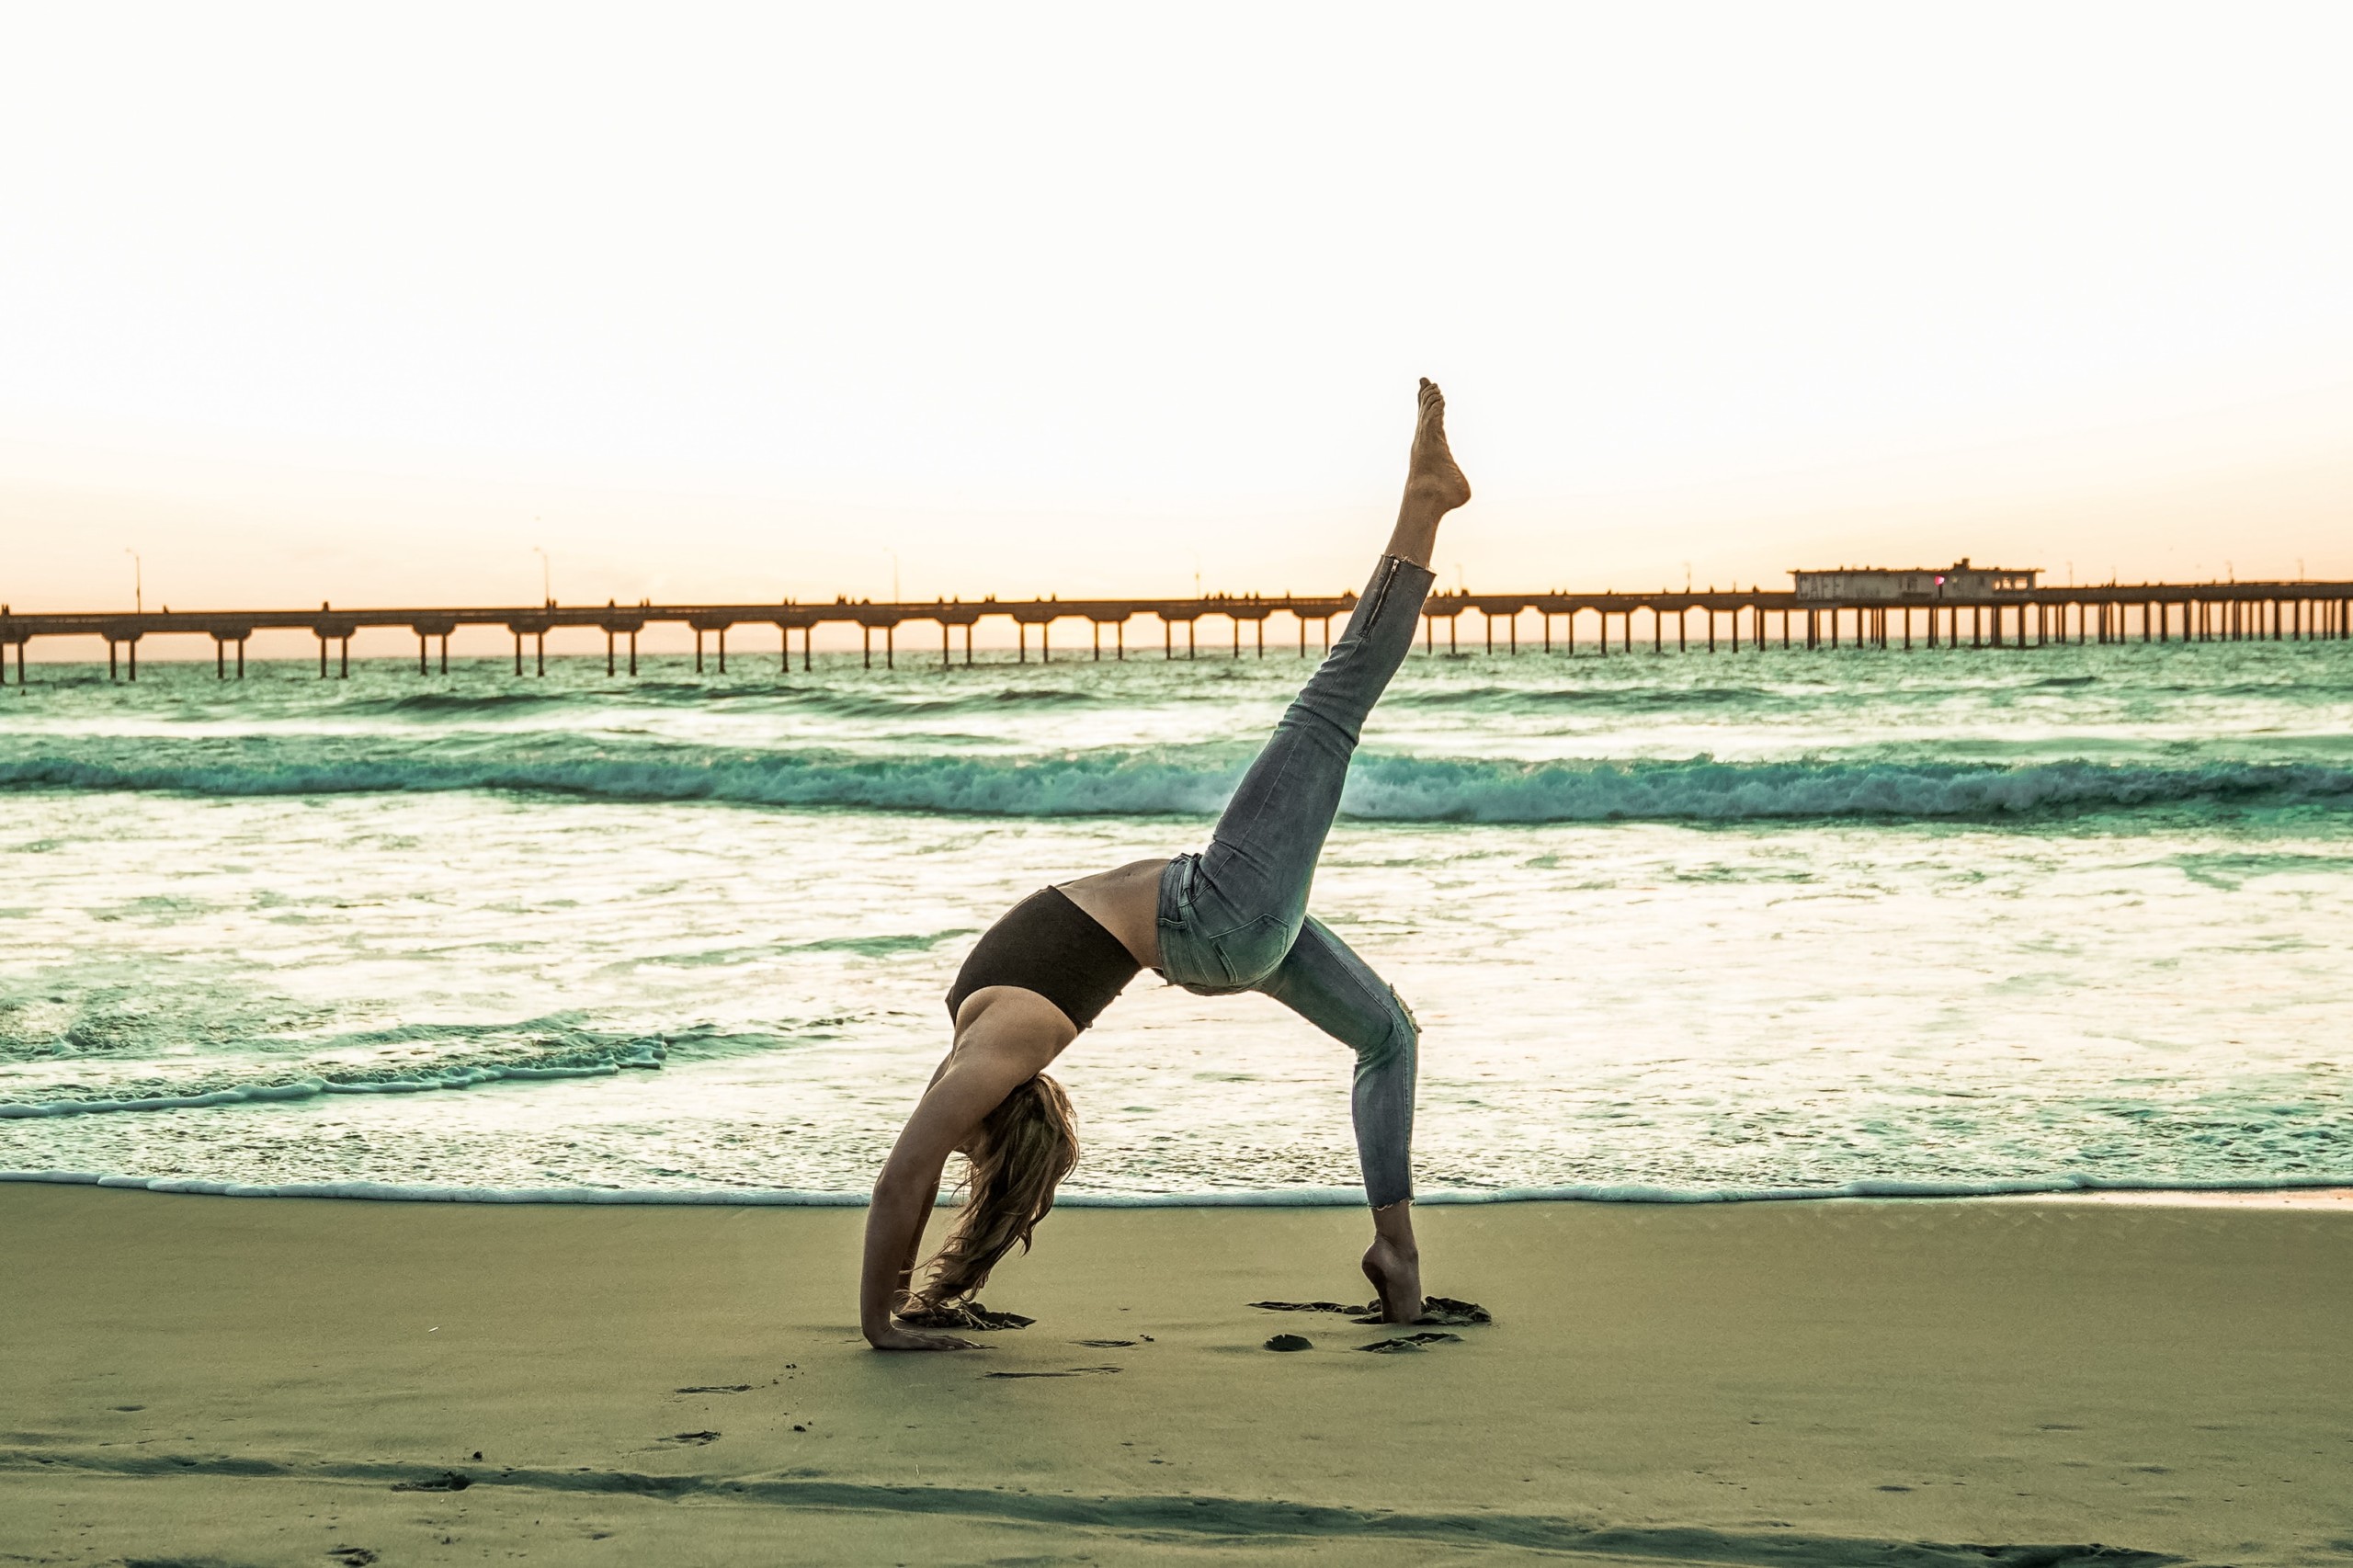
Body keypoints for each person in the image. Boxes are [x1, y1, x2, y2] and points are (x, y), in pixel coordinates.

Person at [860, 379, 1472, 1350]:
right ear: (996, 1114)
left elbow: (931, 1165)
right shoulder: (1003, 1044)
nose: (960, 1130)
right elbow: (904, 1175)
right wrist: (879, 1323)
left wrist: (930, 1285)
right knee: (1331, 701)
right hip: (1212, 910)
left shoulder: (986, 1032)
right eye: (984, 1139)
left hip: (1223, 928)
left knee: (1387, 1035)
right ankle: (1425, 498)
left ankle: (1395, 1253)